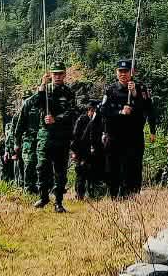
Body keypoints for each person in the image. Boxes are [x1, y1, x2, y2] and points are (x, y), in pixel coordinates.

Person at [99, 58, 155, 198]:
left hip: (134, 135)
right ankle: (114, 194)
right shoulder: (111, 90)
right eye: (120, 71)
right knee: (113, 166)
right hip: (115, 134)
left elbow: (149, 109)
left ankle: (132, 194)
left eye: (126, 71)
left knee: (134, 165)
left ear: (132, 72)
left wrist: (135, 94)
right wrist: (120, 112)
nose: (123, 74)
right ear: (116, 72)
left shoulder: (141, 88)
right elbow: (103, 110)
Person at [34, 61, 76, 212]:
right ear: (50, 75)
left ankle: (58, 202)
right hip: (46, 135)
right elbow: (36, 104)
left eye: (60, 73)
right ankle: (43, 196)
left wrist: (56, 119)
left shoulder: (69, 92)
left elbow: (71, 112)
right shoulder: (45, 90)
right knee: (42, 167)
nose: (57, 76)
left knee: (60, 170)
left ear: (64, 74)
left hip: (61, 136)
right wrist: (41, 86)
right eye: (54, 74)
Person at [71, 99, 104, 199]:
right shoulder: (82, 120)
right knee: (81, 173)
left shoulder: (99, 120)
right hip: (82, 150)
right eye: (92, 110)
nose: (93, 113)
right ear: (89, 110)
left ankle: (93, 193)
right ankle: (79, 194)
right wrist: (74, 152)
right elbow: (75, 137)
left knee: (94, 173)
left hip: (95, 150)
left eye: (95, 111)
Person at [13, 87, 42, 194]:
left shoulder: (39, 108)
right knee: (28, 163)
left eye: (28, 98)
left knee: (40, 164)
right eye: (24, 98)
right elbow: (17, 129)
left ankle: (40, 188)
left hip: (40, 139)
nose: (26, 100)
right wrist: (15, 144)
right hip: (27, 140)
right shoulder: (20, 113)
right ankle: (28, 188)